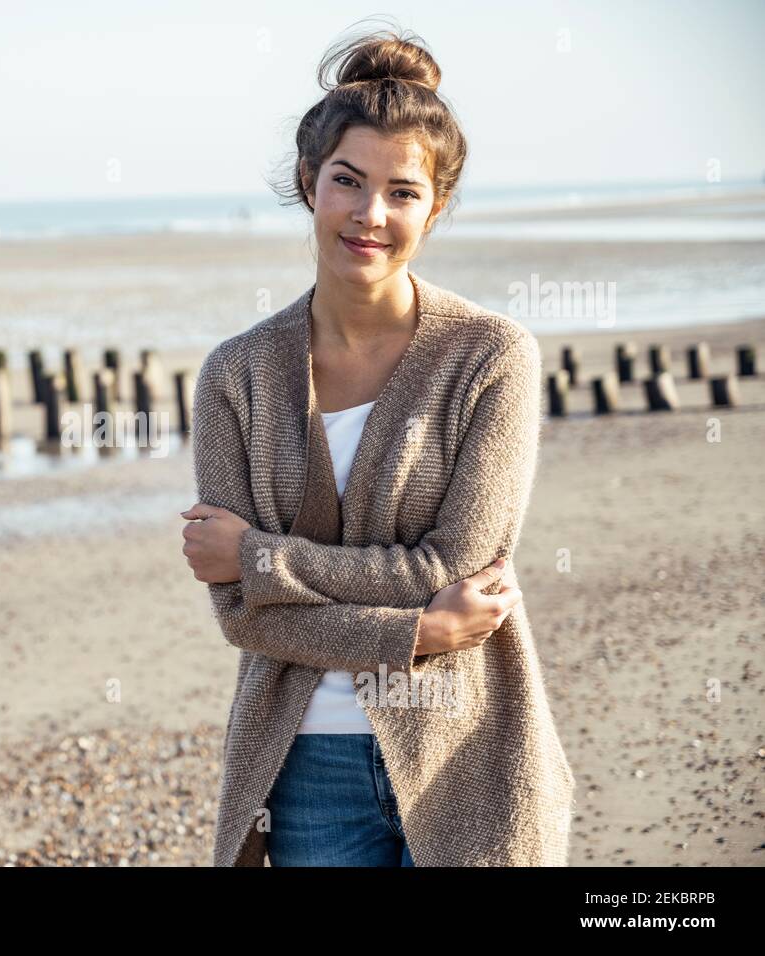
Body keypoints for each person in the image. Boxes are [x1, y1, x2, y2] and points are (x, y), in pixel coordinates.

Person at [181, 24, 574, 867]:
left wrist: (256, 554)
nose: (371, 215)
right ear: (307, 182)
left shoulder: (490, 357)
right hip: (301, 766)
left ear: (436, 206)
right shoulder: (235, 377)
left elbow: (451, 569)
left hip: (465, 742)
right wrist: (416, 632)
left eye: (402, 192)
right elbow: (243, 615)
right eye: (348, 183)